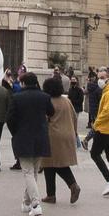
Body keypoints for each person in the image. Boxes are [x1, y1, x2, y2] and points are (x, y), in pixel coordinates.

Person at [9, 72, 53, 216]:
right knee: (33, 172)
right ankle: (26, 201)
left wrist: (15, 132)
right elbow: (51, 112)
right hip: (40, 137)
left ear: (23, 83)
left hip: (23, 137)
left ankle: (35, 204)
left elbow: (10, 119)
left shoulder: (16, 97)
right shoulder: (44, 97)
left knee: (28, 172)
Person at [41, 75, 82, 205]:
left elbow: (44, 119)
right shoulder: (67, 101)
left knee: (51, 164)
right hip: (67, 134)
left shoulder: (48, 101)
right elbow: (75, 117)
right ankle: (52, 194)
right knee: (55, 164)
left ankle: (71, 186)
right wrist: (74, 132)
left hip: (53, 135)